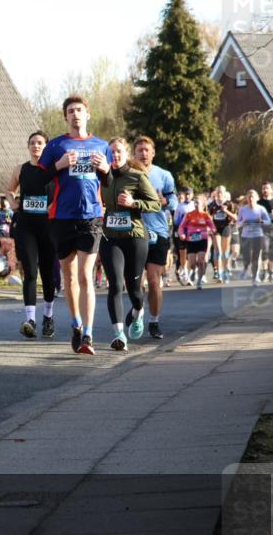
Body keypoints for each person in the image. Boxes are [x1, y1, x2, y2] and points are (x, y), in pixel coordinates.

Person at [37, 95, 112, 355]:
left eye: (79, 110)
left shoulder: (101, 146)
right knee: (69, 278)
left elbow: (110, 183)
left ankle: (89, 335)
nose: (75, 114)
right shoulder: (56, 145)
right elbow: (38, 178)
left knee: (85, 276)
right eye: (71, 111)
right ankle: (76, 324)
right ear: (65, 117)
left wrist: (106, 170)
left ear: (87, 114)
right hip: (61, 217)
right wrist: (59, 165)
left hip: (91, 217)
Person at [101, 138, 160, 351]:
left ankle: (138, 312)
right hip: (110, 238)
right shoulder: (103, 177)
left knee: (134, 289)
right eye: (111, 153)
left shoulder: (136, 176)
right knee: (115, 285)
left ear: (126, 154)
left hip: (135, 238)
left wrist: (134, 203)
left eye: (118, 152)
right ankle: (118, 335)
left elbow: (155, 203)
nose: (114, 156)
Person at [9, 131, 57, 338]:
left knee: (47, 272)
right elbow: (10, 190)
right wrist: (12, 202)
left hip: (48, 227)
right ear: (28, 146)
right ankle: (30, 320)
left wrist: (54, 205)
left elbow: (62, 191)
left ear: (46, 147)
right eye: (32, 143)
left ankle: (48, 316)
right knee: (30, 272)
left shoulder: (54, 169)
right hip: (26, 225)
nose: (36, 146)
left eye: (40, 143)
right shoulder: (21, 169)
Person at [134, 136, 176, 340]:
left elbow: (174, 200)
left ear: (153, 153)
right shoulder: (128, 173)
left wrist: (166, 200)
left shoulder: (164, 175)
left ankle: (154, 321)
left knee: (153, 280)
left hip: (157, 232)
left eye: (146, 150)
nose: (143, 153)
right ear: (134, 153)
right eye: (139, 150)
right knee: (135, 283)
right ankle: (137, 310)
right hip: (133, 232)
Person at [178, 194, 215, 290]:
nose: (196, 204)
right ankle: (193, 270)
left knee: (201, 261)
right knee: (192, 262)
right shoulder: (189, 215)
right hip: (191, 240)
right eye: (195, 202)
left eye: (198, 202)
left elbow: (212, 227)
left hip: (202, 240)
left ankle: (199, 281)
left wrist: (212, 231)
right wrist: (182, 234)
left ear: (203, 204)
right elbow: (181, 227)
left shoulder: (206, 216)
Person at [238, 190, 272, 286]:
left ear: (256, 198)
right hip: (246, 236)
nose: (251, 199)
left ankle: (255, 277)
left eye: (252, 197)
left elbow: (268, 221)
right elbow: (238, 223)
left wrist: (261, 221)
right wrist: (243, 222)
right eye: (249, 197)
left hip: (258, 235)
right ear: (247, 199)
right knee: (247, 258)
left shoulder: (261, 209)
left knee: (256, 257)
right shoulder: (242, 209)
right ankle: (245, 268)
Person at [208, 186, 237, 283]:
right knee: (218, 251)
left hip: (226, 228)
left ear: (224, 193)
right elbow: (208, 218)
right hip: (216, 229)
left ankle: (225, 270)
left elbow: (235, 218)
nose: (220, 194)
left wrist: (226, 211)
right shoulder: (211, 205)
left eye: (221, 192)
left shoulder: (229, 204)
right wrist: (210, 221)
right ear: (215, 193)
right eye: (218, 192)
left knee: (225, 252)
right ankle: (219, 274)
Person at [173, 188, 195, 285]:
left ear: (192, 195)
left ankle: (188, 274)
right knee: (183, 255)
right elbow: (176, 221)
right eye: (186, 194)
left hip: (193, 233)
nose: (187, 196)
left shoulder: (195, 205)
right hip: (183, 233)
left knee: (191, 255)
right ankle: (185, 273)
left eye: (189, 194)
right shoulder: (179, 207)